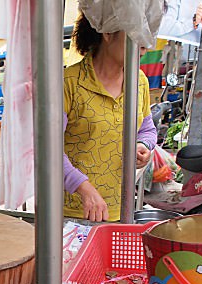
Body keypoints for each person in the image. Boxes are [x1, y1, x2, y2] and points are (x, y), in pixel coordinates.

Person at [63, 13, 158, 222]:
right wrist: (83, 188)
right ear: (108, 31)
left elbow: (147, 128)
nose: (144, 44)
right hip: (70, 212)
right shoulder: (68, 83)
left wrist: (143, 145)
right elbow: (46, 149)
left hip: (119, 208)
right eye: (136, 31)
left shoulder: (139, 81)